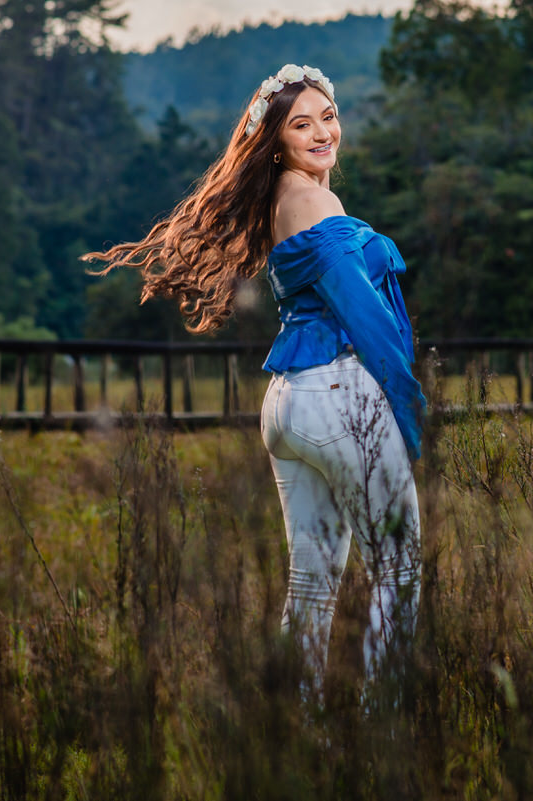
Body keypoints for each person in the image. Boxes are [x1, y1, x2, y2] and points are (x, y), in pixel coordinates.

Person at [83, 64, 425, 695]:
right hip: (337, 391)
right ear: (276, 142)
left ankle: (300, 733)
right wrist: (408, 407)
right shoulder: (315, 200)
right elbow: (365, 318)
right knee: (398, 571)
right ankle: (388, 740)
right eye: (302, 125)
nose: (323, 133)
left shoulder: (281, 200)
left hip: (288, 404)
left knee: (311, 586)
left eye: (328, 116)